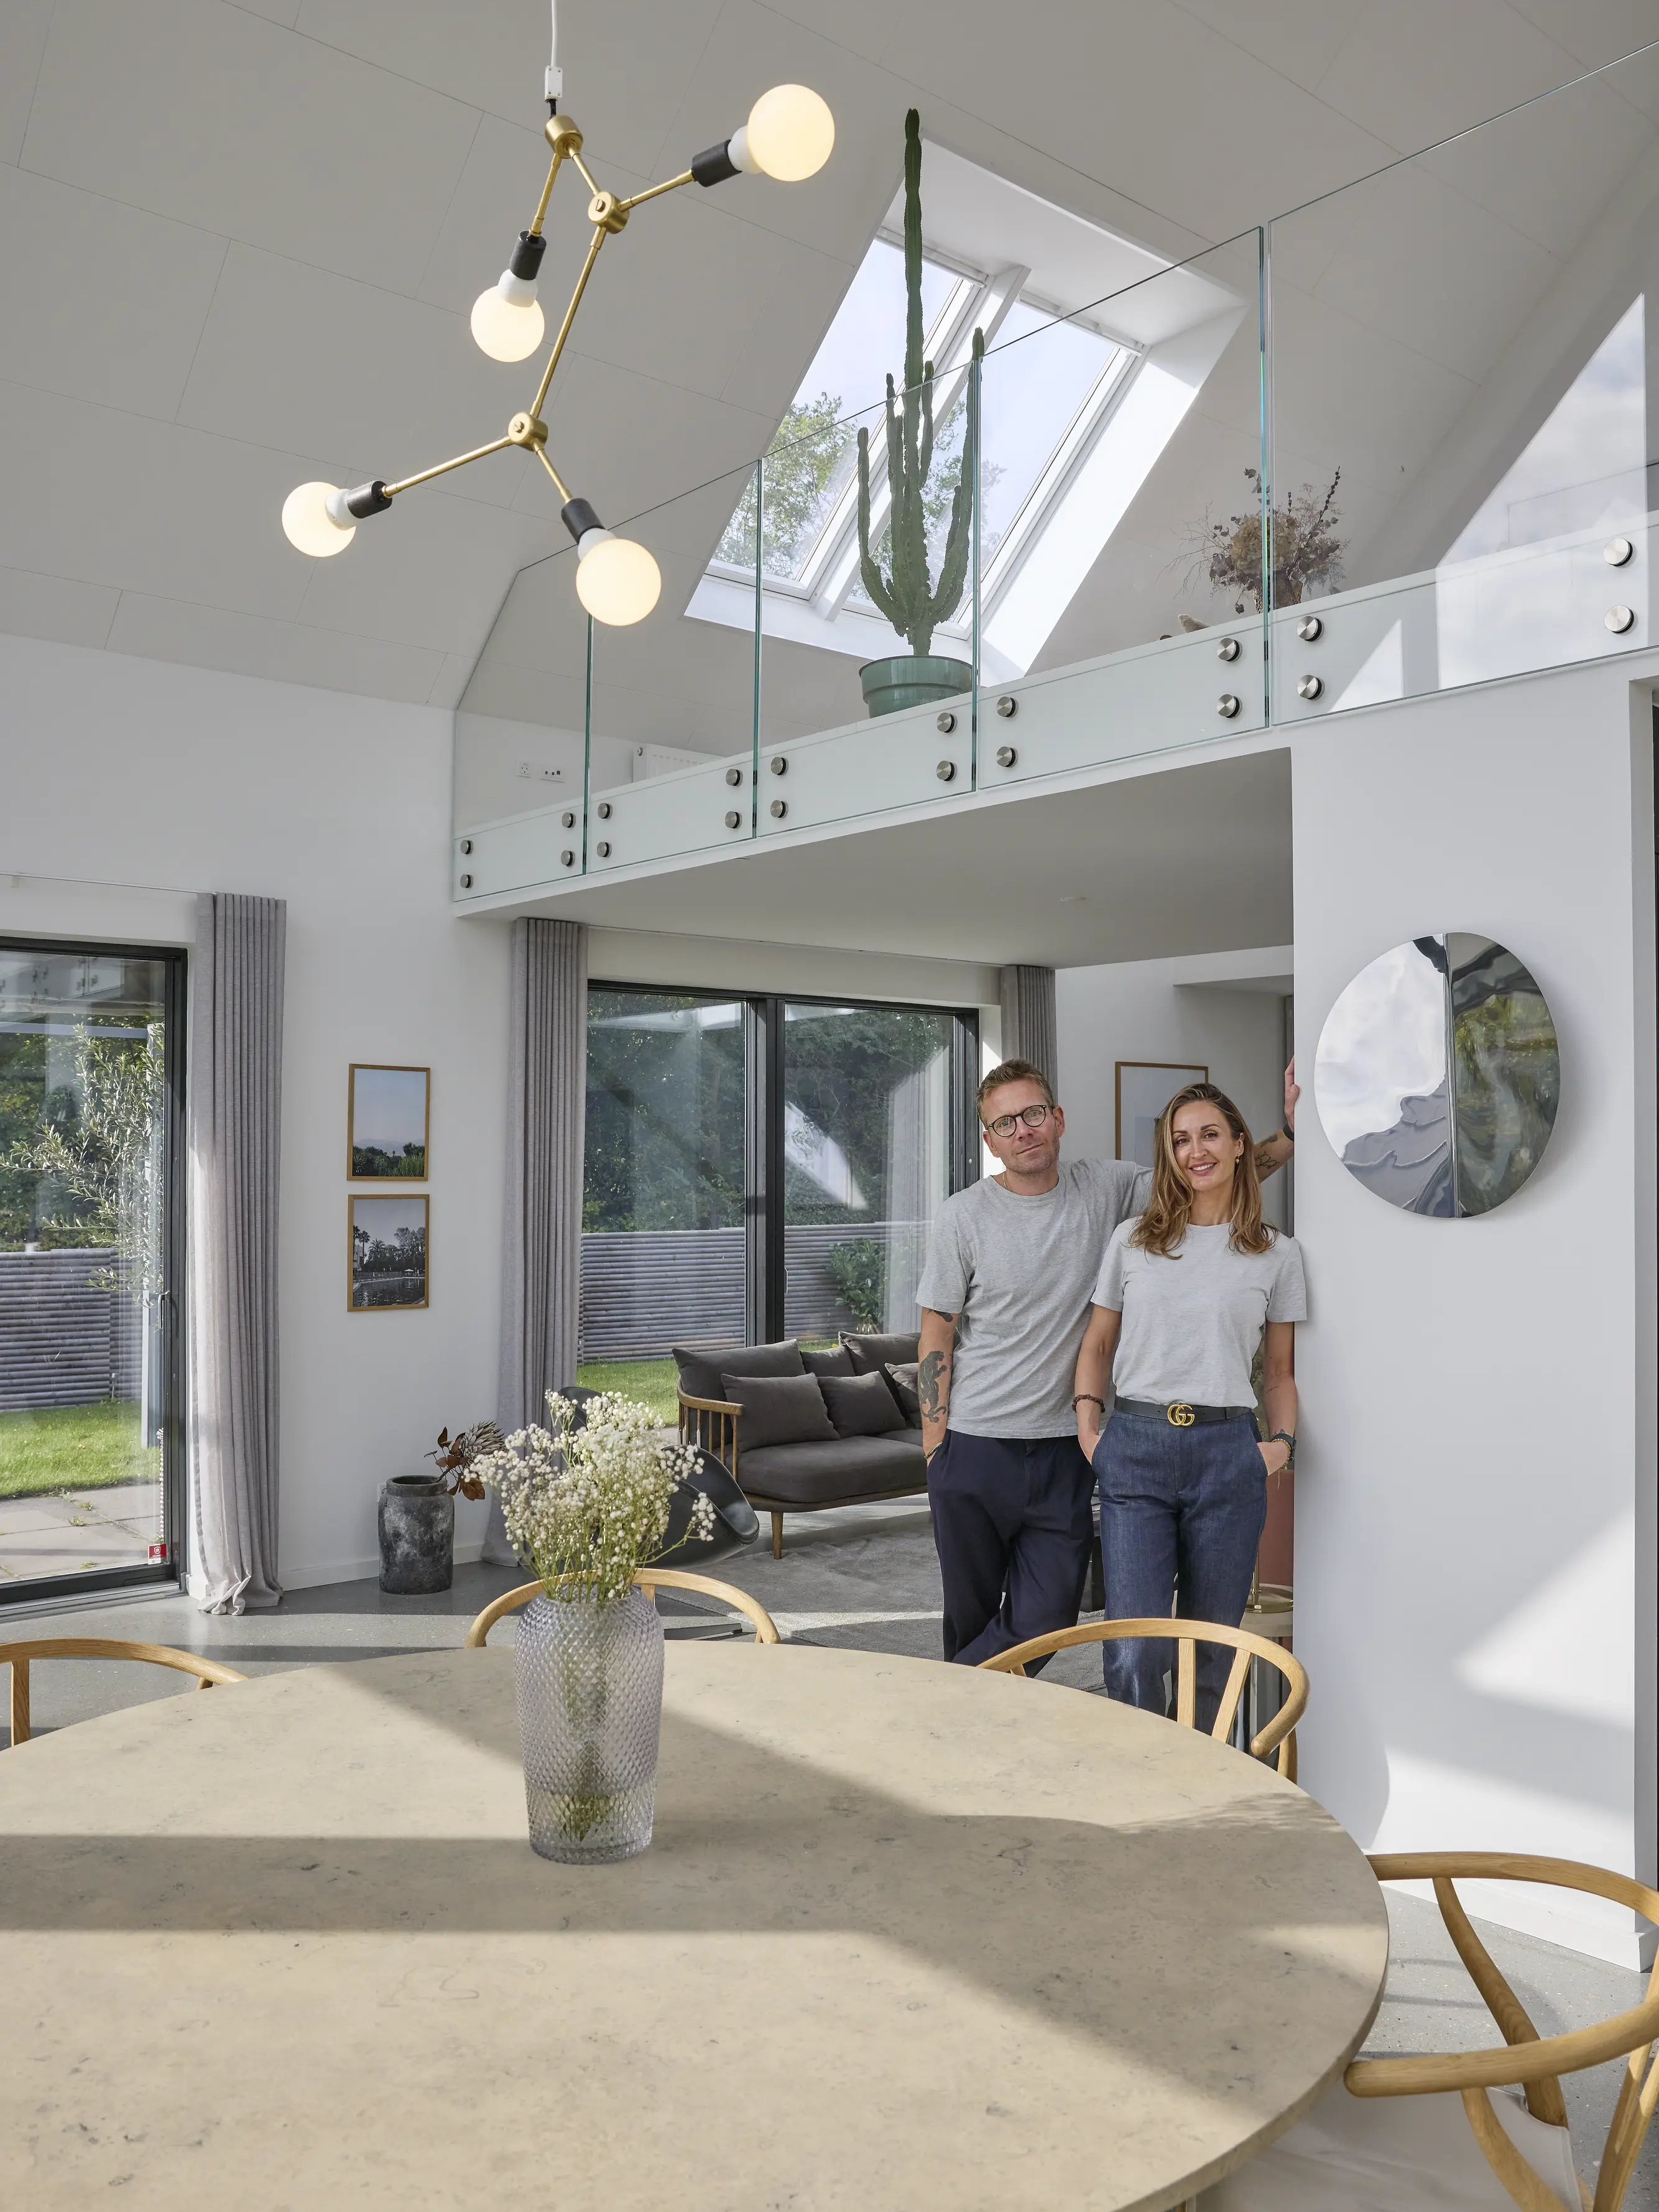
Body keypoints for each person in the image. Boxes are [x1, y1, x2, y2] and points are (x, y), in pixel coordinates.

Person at [916, 1057, 1296, 1668]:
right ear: (989, 1140)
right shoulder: (962, 1215)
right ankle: (969, 1739)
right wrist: (935, 1444)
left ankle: (943, 1692)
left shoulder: (1107, 1187)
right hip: (974, 1444)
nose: (1023, 1129)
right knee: (971, 1612)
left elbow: (1208, 1174)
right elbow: (937, 1327)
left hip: (1067, 1448)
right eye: (1005, 1122)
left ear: (1057, 1118)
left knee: (1047, 1615)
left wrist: (1290, 1136)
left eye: (1033, 1113)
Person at [1073, 1082, 1303, 1726]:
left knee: (1213, 1649)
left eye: (1208, 1134)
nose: (1194, 1150)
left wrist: (1279, 1447)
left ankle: (1204, 1790)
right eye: (1179, 1139)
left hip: (1226, 1454)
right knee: (1135, 1647)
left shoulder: (1276, 1253)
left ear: (1237, 1145)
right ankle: (1143, 1773)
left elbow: (1280, 1372)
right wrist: (1091, 1430)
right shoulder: (1132, 1240)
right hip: (1135, 1449)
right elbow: (1096, 1344)